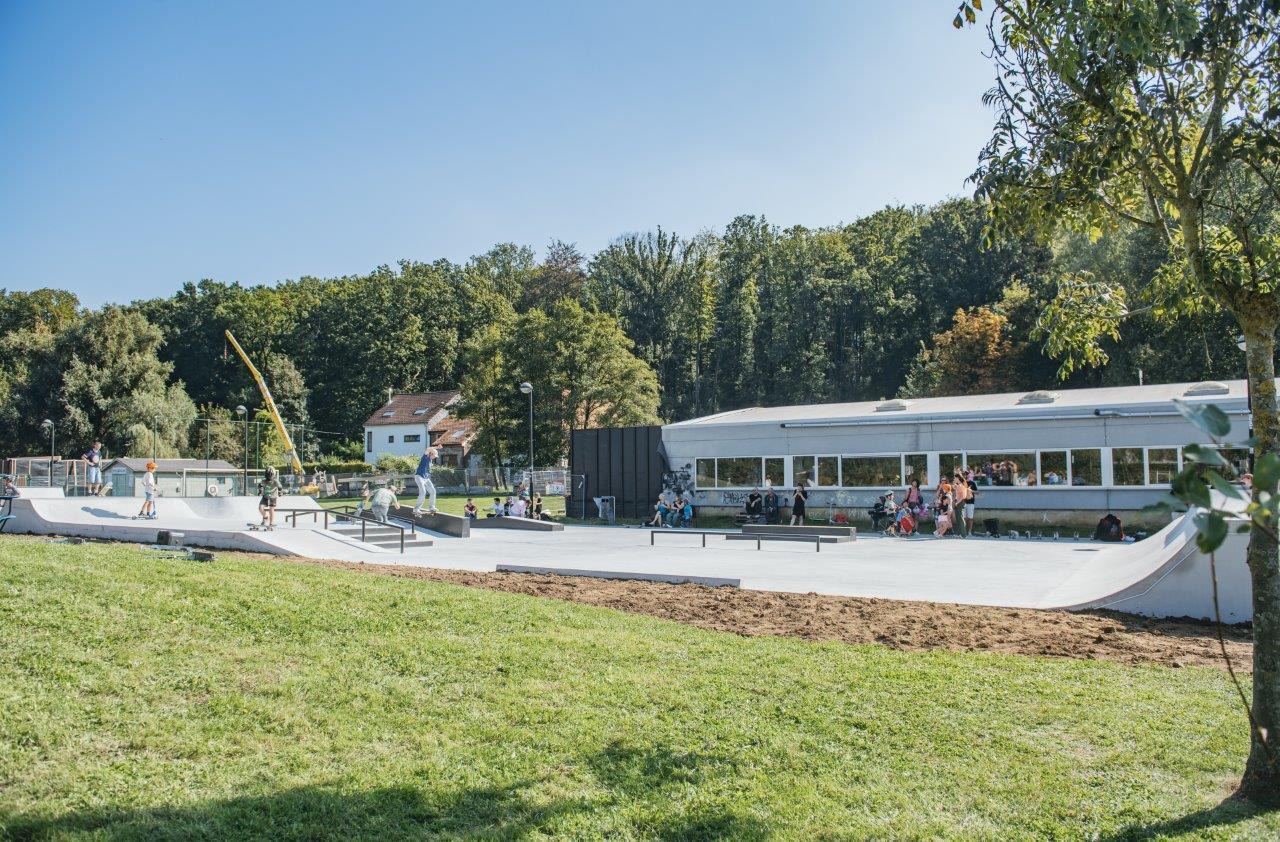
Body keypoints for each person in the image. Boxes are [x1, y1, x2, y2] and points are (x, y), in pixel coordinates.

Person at [412, 446, 439, 516]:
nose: (435, 457)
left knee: (433, 491)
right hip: (419, 477)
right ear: (431, 454)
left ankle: (431, 507)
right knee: (423, 492)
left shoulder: (430, 461)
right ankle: (416, 508)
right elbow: (428, 448)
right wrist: (437, 447)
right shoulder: (425, 457)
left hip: (426, 478)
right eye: (434, 456)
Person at [963, 470, 979, 536]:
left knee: (970, 518)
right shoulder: (961, 483)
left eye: (967, 474)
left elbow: (977, 492)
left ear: (968, 475)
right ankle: (963, 531)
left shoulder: (972, 483)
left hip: (970, 502)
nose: (966, 476)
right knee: (963, 518)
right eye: (964, 474)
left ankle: (969, 532)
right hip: (963, 502)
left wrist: (970, 490)